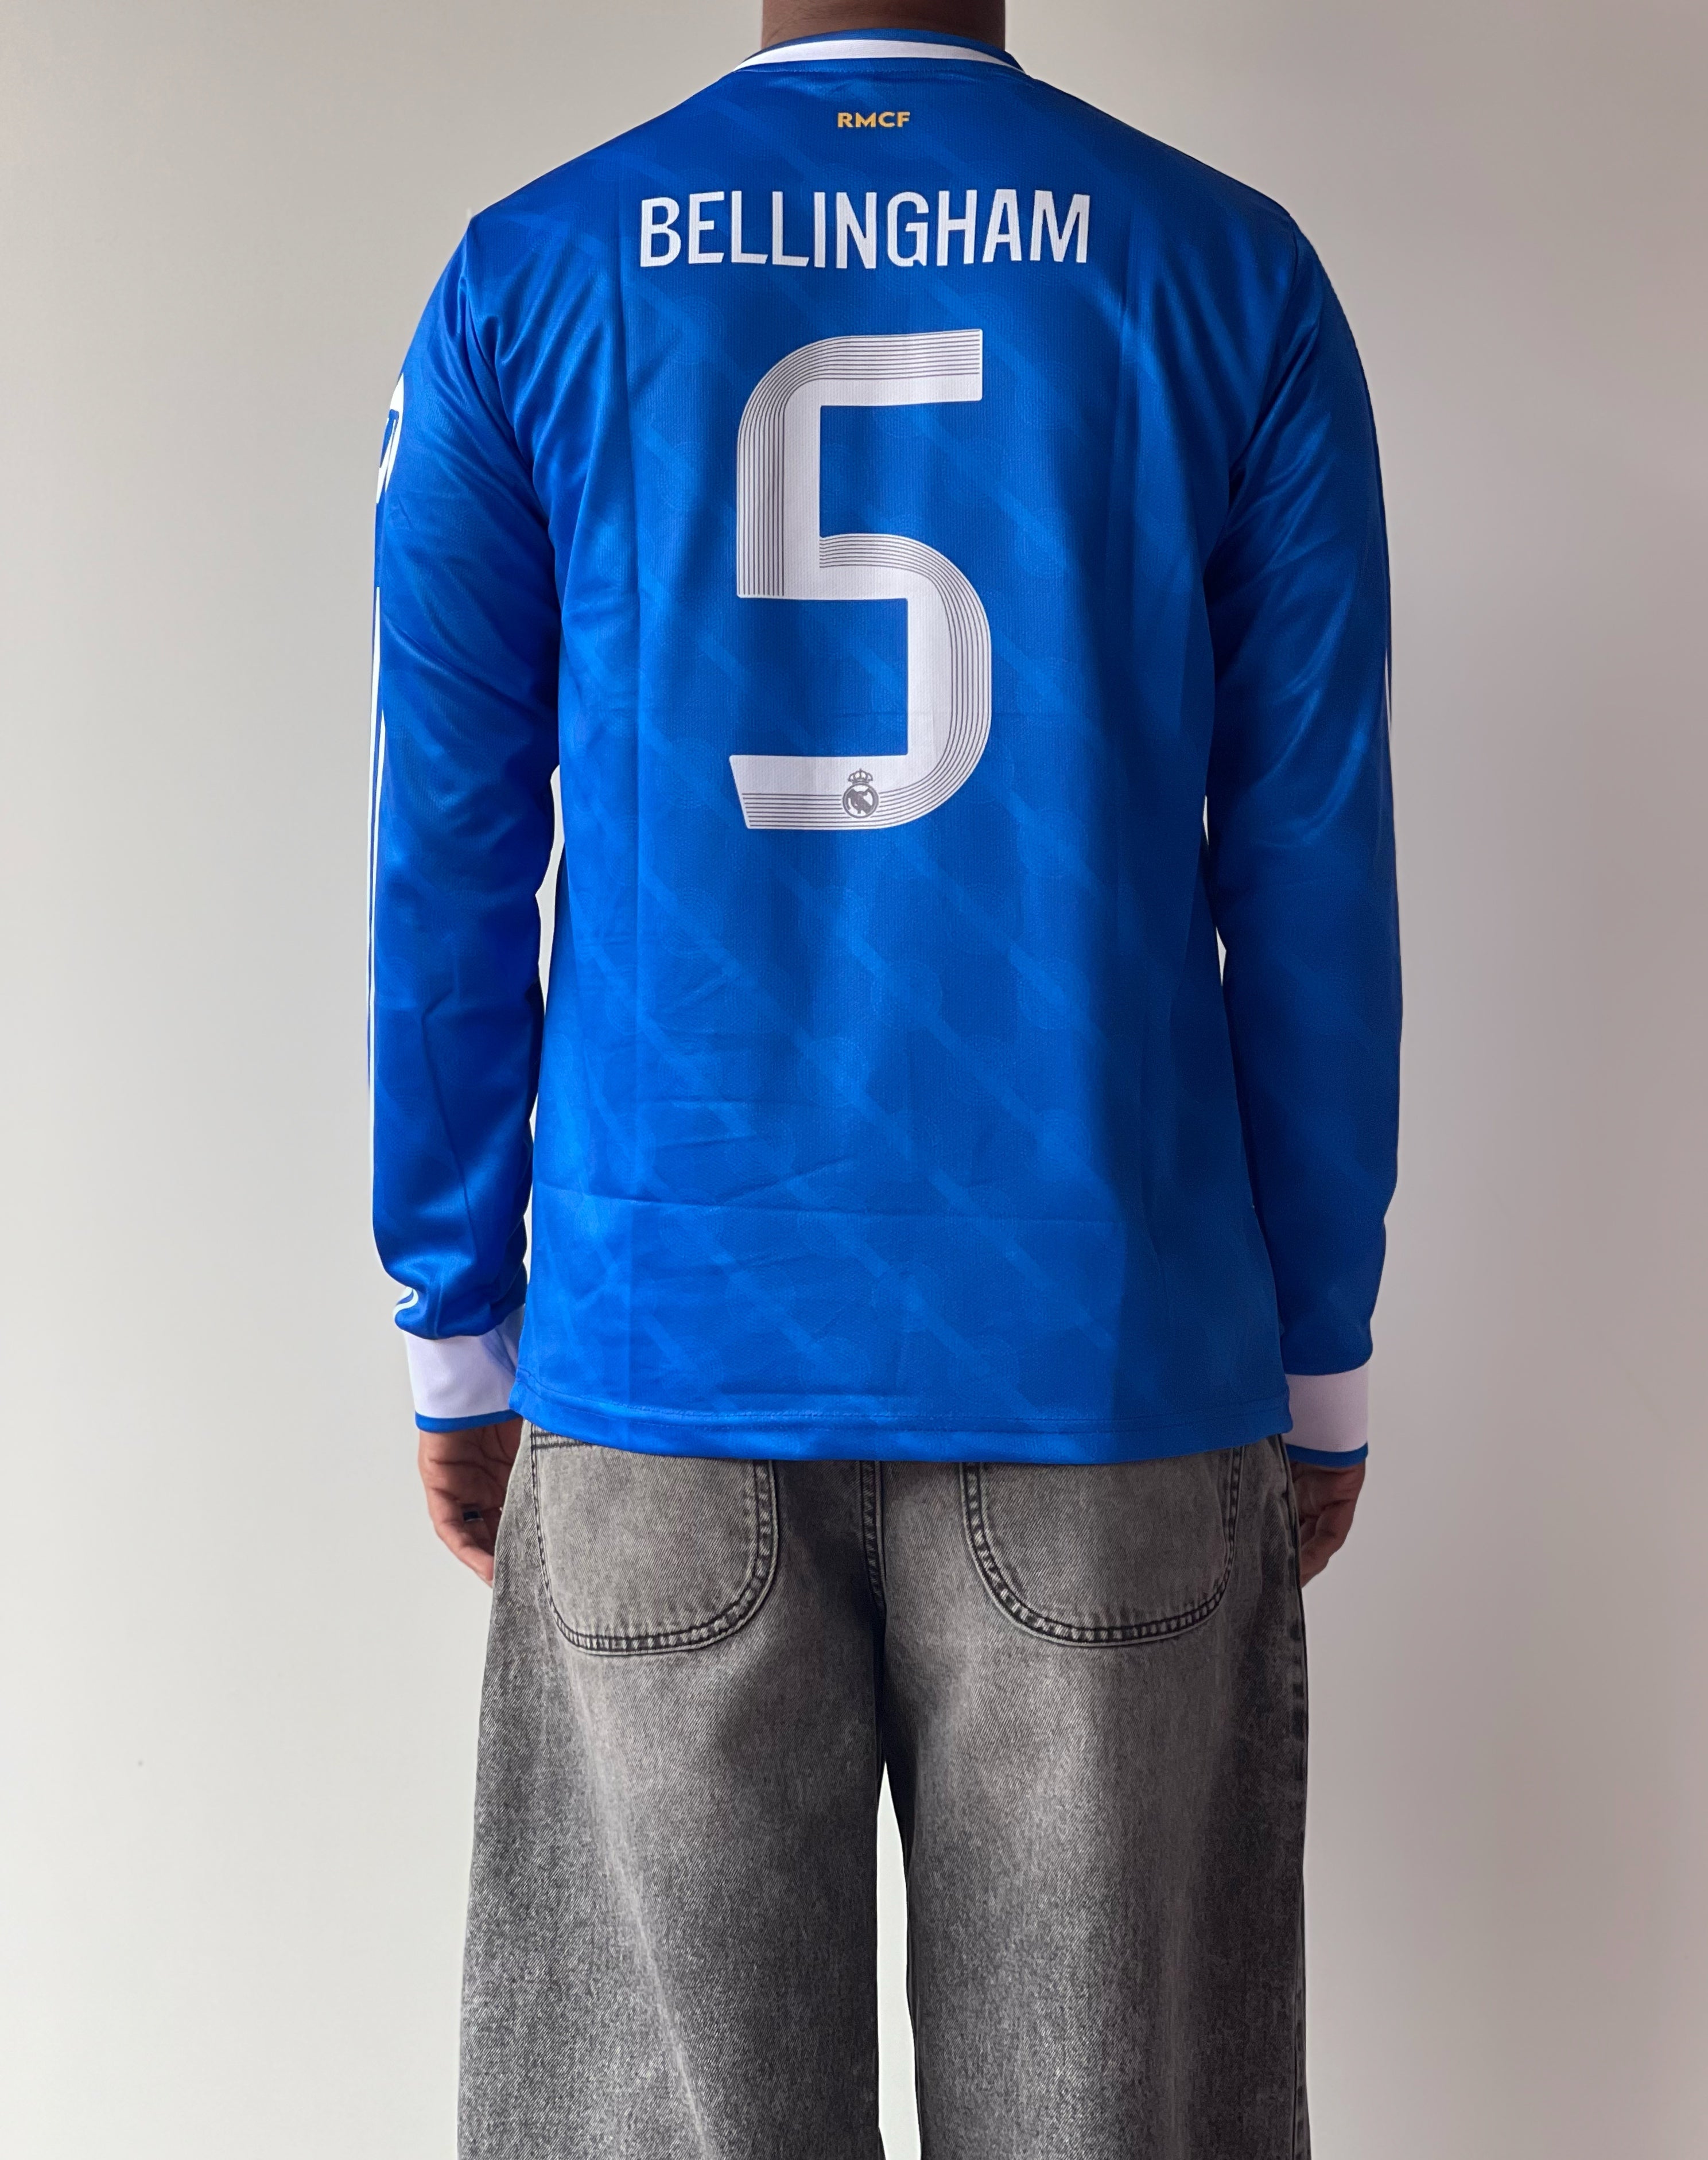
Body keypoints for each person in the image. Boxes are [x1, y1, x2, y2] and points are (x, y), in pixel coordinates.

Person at [369, 1, 1396, 2151]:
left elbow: (449, 849)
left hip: (664, 1350)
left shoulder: (530, 276)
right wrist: (1315, 1360)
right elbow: (1308, 863)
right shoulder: (1226, 273)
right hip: (1107, 1357)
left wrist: (460, 1326)